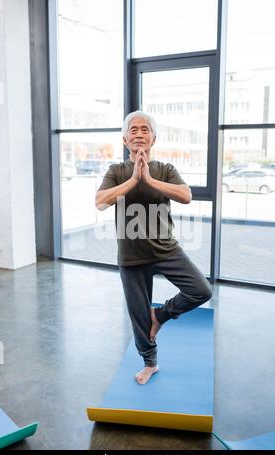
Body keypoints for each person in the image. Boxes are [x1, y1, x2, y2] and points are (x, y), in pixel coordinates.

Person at [95, 111, 212, 385]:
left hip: (166, 250)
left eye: (144, 130)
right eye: (133, 130)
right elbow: (100, 201)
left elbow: (186, 196)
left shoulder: (166, 170)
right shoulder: (116, 171)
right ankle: (150, 363)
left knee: (201, 290)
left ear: (153, 138)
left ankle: (160, 314)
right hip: (131, 257)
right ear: (125, 140)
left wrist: (148, 179)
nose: (138, 134)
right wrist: (134, 180)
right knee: (138, 318)